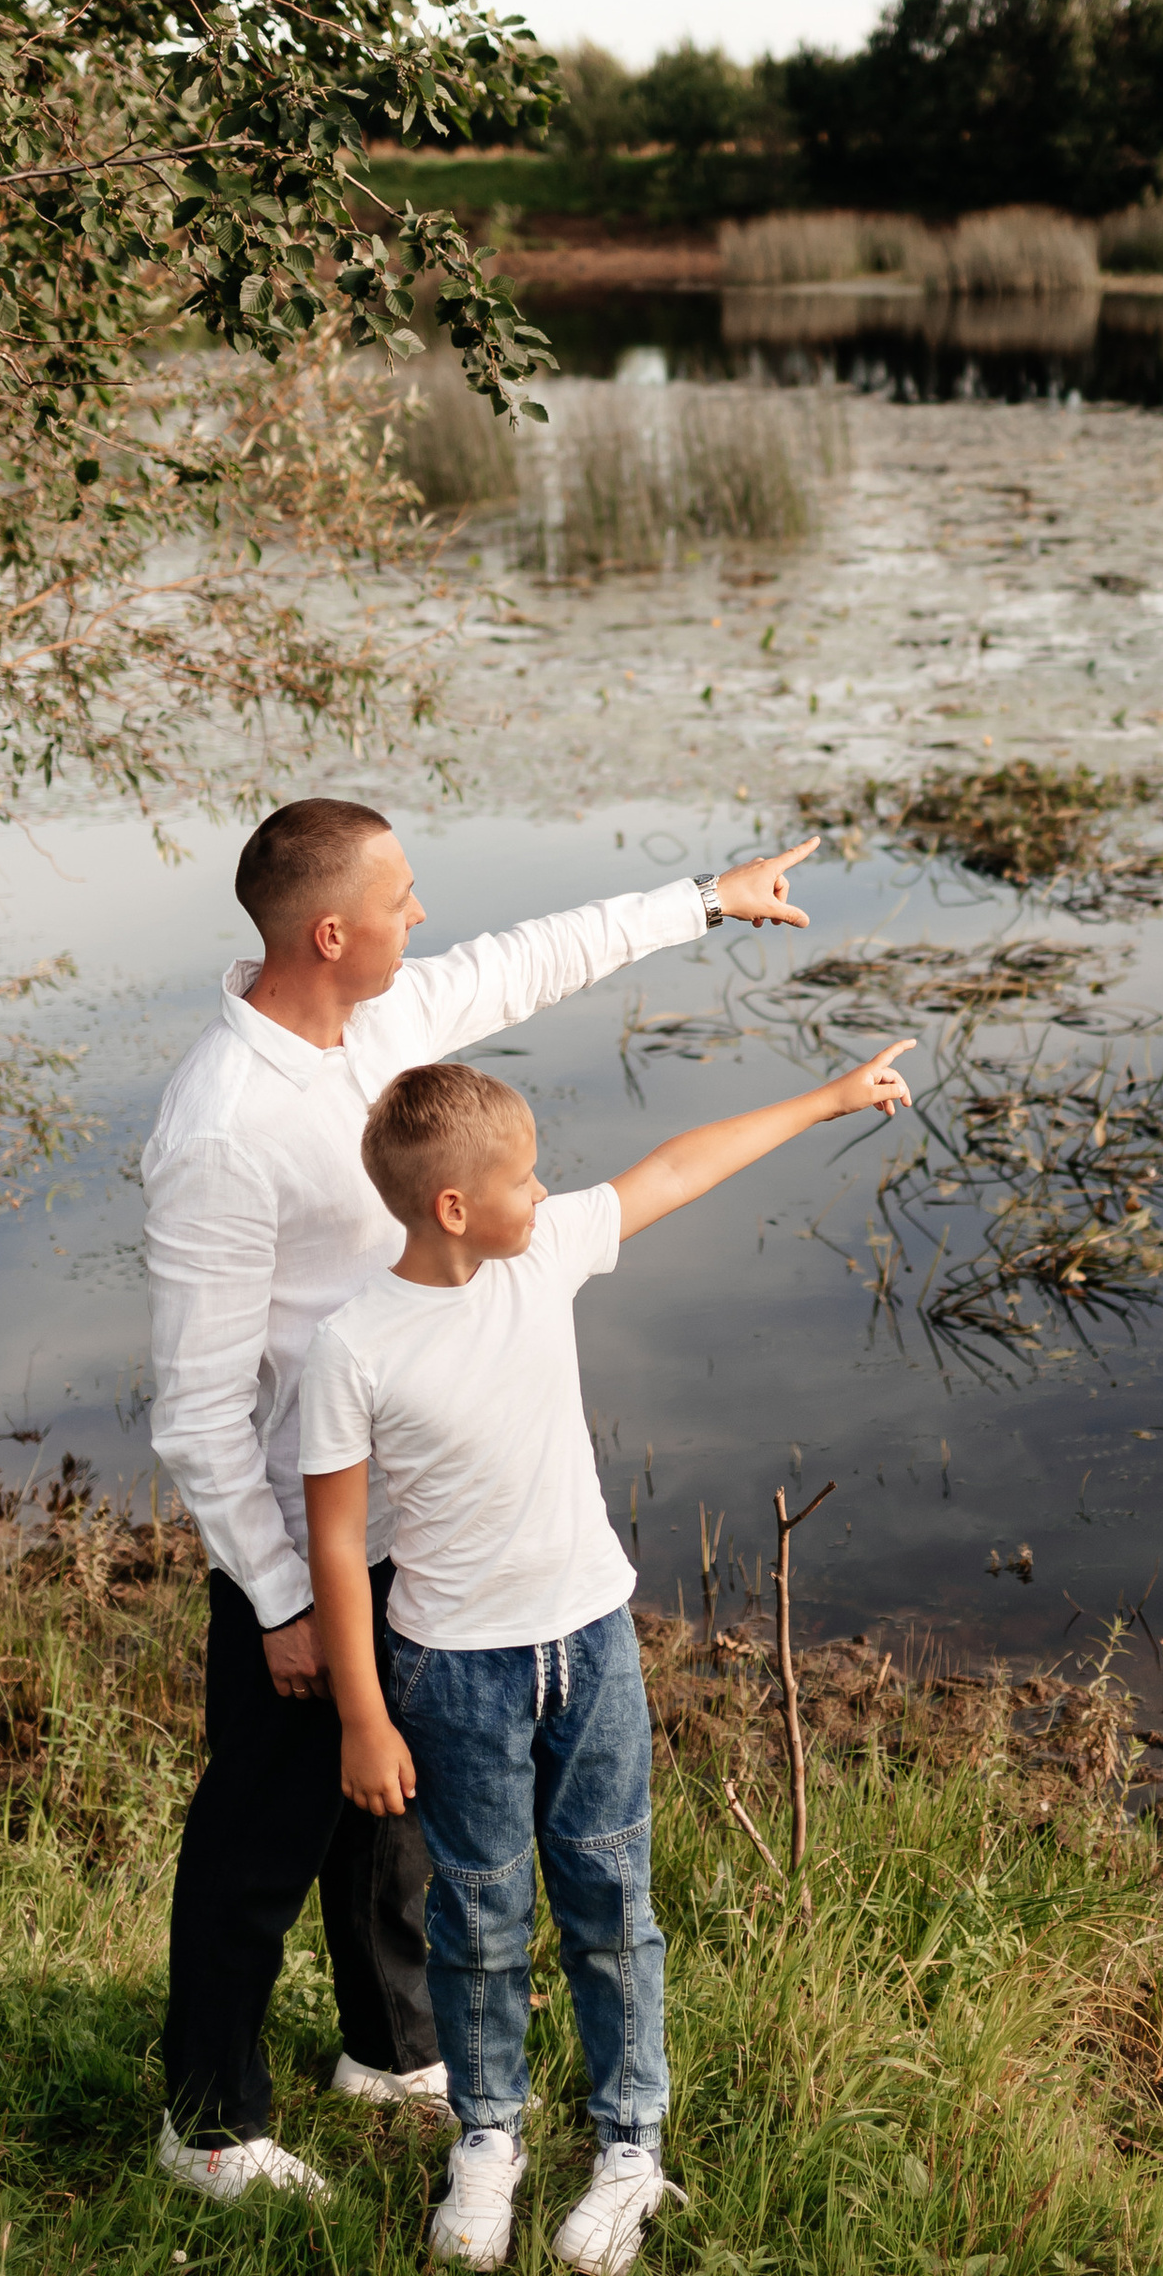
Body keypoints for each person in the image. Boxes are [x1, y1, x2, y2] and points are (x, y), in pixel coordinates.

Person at [143, 794, 820, 2201]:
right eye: (401, 899)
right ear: (331, 932)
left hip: (424, 1520)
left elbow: (527, 960)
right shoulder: (220, 1125)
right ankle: (209, 2122)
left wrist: (703, 898)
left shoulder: (381, 1026)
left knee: (397, 1816)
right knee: (260, 1837)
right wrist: (276, 1604)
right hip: (300, 1542)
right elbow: (200, 1414)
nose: (423, 916)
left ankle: (389, 2050)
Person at [299, 1035, 916, 2276]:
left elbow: (679, 1168)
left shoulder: (538, 1261)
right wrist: (363, 1717)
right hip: (448, 1672)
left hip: (590, 1644)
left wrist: (833, 1097)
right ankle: (489, 2140)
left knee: (610, 1905)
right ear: (457, 1206)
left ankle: (630, 2149)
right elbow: (336, 1538)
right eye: (526, 1179)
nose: (550, 1192)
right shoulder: (353, 1342)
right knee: (477, 1913)